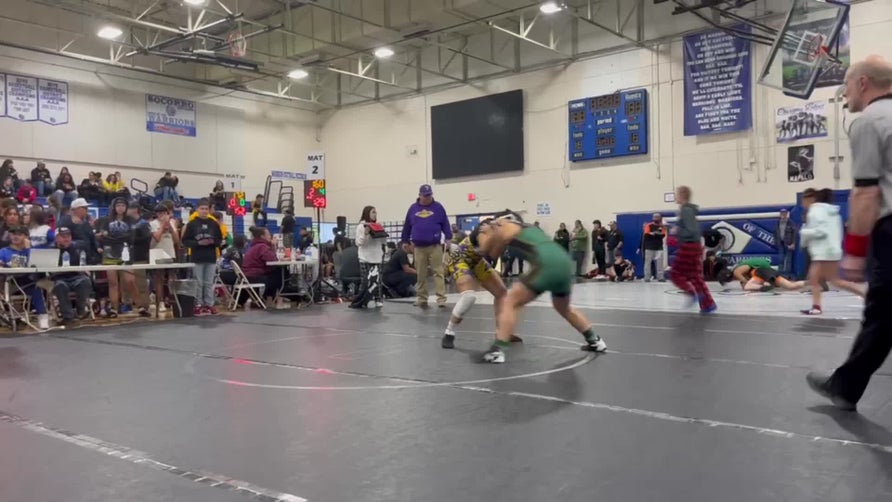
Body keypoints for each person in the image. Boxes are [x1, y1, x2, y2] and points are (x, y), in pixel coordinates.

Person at [807, 56, 892, 411]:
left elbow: (866, 193)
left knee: (882, 314)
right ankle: (846, 386)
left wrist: (855, 250)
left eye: (846, 84)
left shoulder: (869, 121)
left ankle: (845, 387)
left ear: (863, 83)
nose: (845, 93)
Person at [473, 211, 606, 364]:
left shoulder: (506, 225)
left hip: (546, 263)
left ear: (504, 220)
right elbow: (494, 253)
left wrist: (486, 235)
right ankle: (595, 340)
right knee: (563, 307)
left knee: (510, 302)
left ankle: (498, 350)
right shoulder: (531, 229)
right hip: (563, 263)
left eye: (496, 223)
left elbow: (489, 249)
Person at [441, 218, 520, 349]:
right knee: (469, 297)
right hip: (461, 259)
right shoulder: (484, 229)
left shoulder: (503, 234)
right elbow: (487, 251)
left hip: (477, 261)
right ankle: (449, 332)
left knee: (501, 293)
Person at [799, 188, 866, 315]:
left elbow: (820, 231)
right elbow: (836, 232)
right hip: (832, 250)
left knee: (822, 280)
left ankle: (865, 294)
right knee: (830, 280)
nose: (803, 203)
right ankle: (816, 307)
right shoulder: (833, 213)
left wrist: (804, 233)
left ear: (810, 198)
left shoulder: (814, 211)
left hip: (823, 252)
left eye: (804, 199)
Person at [400, 184, 451, 307]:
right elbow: (407, 226)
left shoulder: (438, 207)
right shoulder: (413, 208)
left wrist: (448, 238)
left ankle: (441, 299)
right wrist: (404, 240)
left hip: (435, 246)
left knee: (438, 272)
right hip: (418, 247)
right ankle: (422, 298)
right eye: (425, 195)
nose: (428, 198)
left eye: (429, 195)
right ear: (420, 195)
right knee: (420, 274)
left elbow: (445, 223)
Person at [668, 186, 717, 313]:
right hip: (694, 246)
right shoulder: (688, 210)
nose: (675, 197)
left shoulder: (686, 210)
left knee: (675, 273)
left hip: (689, 246)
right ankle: (708, 304)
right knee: (695, 276)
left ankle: (691, 293)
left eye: (677, 194)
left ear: (682, 195)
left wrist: (677, 231)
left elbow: (692, 230)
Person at [98, 197, 144, 318]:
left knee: (130, 280)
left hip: (125, 251)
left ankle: (140, 306)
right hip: (110, 252)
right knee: (113, 282)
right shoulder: (106, 220)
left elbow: (131, 237)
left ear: (126, 207)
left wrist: (114, 238)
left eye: (123, 205)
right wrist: (118, 238)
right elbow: (103, 236)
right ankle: (114, 308)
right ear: (114, 207)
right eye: (118, 205)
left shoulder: (131, 220)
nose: (120, 208)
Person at [0, 225, 49, 329]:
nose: (15, 237)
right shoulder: (4, 251)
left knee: (37, 288)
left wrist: (28, 249)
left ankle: (43, 316)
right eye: (13, 234)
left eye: (19, 234)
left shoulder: (32, 250)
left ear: (26, 237)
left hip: (28, 282)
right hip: (10, 283)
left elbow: (34, 263)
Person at [182, 199, 223, 315]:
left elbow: (219, 240)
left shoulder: (214, 224)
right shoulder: (192, 224)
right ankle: (198, 304)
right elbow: (185, 241)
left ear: (209, 210)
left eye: (206, 209)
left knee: (209, 282)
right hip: (197, 257)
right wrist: (198, 243)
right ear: (197, 209)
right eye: (202, 209)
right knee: (198, 282)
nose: (204, 211)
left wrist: (212, 242)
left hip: (211, 256)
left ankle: (209, 304)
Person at [51, 227, 92, 326]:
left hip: (76, 276)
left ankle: (80, 310)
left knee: (85, 281)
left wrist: (86, 268)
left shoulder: (78, 248)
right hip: (59, 278)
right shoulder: (51, 250)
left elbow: (86, 262)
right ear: (56, 238)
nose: (66, 238)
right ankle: (68, 316)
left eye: (68, 236)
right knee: (60, 286)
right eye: (63, 236)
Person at [350, 206, 387, 309]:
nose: (375, 214)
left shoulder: (377, 225)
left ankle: (378, 299)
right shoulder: (361, 226)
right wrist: (365, 234)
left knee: (378, 281)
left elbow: (383, 242)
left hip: (377, 258)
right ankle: (362, 300)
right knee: (365, 281)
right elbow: (359, 243)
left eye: (376, 212)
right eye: (373, 212)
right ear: (367, 213)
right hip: (365, 258)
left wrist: (382, 232)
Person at [241, 226, 285, 309]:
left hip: (247, 275)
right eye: (268, 234)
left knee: (274, 273)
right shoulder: (262, 247)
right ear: (262, 236)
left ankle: (267, 299)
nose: (270, 236)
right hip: (254, 275)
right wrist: (273, 245)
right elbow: (272, 259)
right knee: (279, 274)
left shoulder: (254, 246)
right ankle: (274, 299)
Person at [149, 204, 180, 313]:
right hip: (158, 252)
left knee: (172, 277)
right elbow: (156, 238)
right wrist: (162, 226)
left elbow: (176, 240)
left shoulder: (172, 222)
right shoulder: (153, 224)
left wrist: (170, 227)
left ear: (168, 214)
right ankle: (160, 301)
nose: (162, 215)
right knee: (159, 278)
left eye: (164, 213)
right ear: (156, 214)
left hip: (170, 252)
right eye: (159, 213)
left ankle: (171, 300)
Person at [720, 257, 805, 292]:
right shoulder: (739, 271)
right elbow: (744, 283)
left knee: (747, 286)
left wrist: (757, 286)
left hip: (761, 271)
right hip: (766, 271)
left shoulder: (737, 272)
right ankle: (809, 282)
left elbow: (745, 284)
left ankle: (765, 285)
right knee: (790, 286)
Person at [58, 198, 101, 264]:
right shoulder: (65, 221)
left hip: (86, 258)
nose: (87, 210)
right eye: (85, 208)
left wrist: (97, 247)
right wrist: (79, 244)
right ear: (76, 209)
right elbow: (61, 240)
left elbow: (92, 237)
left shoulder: (85, 223)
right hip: (71, 258)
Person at [641, 213, 666, 282]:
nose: (655, 218)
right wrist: (657, 234)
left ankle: (660, 277)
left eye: (657, 217)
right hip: (649, 247)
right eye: (654, 217)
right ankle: (647, 277)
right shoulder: (648, 225)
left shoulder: (662, 227)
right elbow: (647, 235)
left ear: (660, 218)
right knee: (647, 263)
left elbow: (663, 235)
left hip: (659, 248)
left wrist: (653, 233)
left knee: (660, 263)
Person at [774, 209, 797, 277]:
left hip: (789, 243)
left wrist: (793, 243)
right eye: (782, 213)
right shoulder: (778, 222)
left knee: (788, 260)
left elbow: (795, 234)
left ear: (787, 214)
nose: (783, 215)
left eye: (784, 213)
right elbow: (775, 233)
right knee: (780, 259)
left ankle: (787, 275)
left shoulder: (790, 222)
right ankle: (780, 275)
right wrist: (776, 242)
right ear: (780, 214)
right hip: (780, 243)